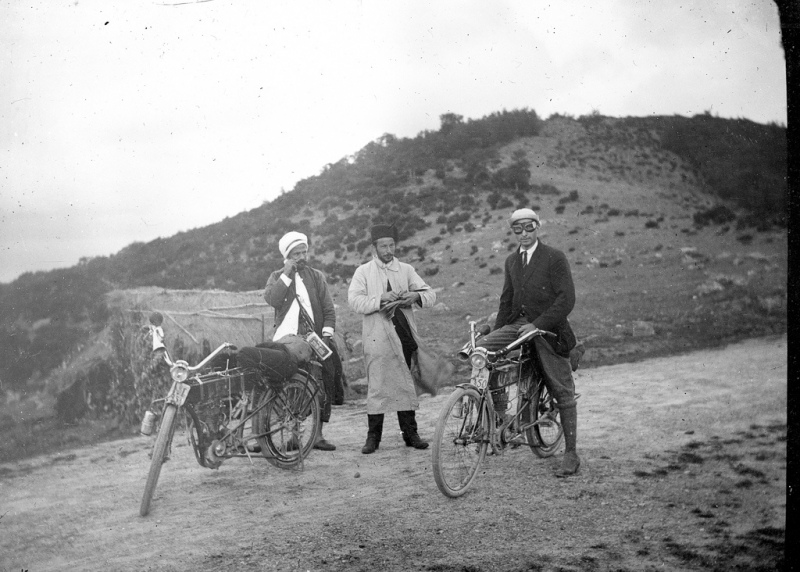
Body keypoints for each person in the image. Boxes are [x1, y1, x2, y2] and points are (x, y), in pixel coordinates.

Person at [477, 208, 581, 477]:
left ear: (538, 227)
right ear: (513, 232)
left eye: (529, 228)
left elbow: (566, 300)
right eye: (518, 229)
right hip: (517, 325)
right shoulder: (512, 261)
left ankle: (571, 453)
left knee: (561, 388)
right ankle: (491, 425)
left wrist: (538, 324)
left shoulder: (554, 257)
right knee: (480, 352)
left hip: (548, 329)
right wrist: (493, 333)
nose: (524, 234)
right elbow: (506, 300)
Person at [348, 224, 437, 454]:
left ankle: (410, 434)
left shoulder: (406, 269)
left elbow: (430, 294)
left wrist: (414, 295)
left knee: (405, 383)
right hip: (377, 337)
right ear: (374, 247)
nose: (388, 250)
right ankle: (373, 438)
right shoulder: (363, 272)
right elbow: (355, 302)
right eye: (383, 246)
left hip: (404, 335)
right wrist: (380, 298)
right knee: (377, 385)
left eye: (391, 245)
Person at [263, 231, 342, 451]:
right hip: (287, 340)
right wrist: (287, 274)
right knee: (292, 386)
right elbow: (272, 299)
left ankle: (317, 435)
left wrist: (326, 336)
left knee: (319, 383)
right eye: (296, 253)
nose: (301, 257)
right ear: (287, 256)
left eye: (303, 252)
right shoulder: (276, 276)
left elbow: (328, 309)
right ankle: (295, 436)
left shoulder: (316, 276)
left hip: (315, 338)